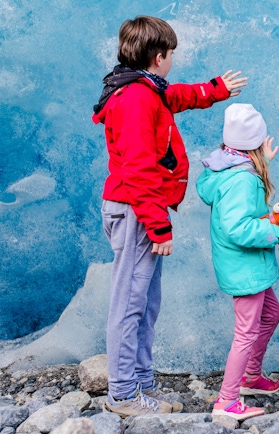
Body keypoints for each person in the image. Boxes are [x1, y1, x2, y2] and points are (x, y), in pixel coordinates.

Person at [93, 15, 247, 417]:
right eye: (172, 54)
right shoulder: (136, 98)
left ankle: (141, 383)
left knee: (145, 300)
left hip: (137, 208)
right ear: (160, 57)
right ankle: (124, 393)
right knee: (129, 302)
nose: (174, 60)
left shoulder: (141, 87)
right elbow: (138, 169)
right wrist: (158, 225)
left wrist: (214, 91)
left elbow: (173, 97)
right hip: (136, 210)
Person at [196, 103, 279, 421]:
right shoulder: (242, 180)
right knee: (245, 332)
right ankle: (227, 400)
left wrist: (261, 161)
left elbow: (242, 209)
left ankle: (251, 376)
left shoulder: (231, 168)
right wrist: (275, 232)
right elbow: (238, 227)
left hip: (247, 265)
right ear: (253, 144)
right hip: (245, 268)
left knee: (272, 312)